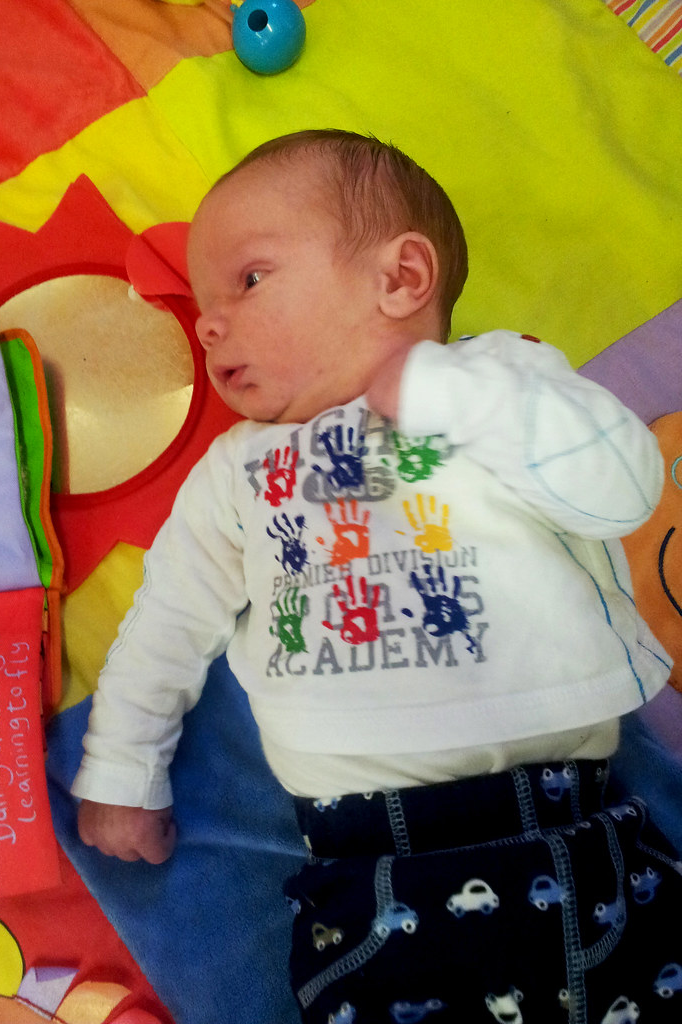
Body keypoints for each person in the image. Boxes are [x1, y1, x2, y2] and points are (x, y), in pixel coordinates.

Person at [72, 130, 680, 1023]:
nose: (206, 324)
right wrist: (122, 767)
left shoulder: (498, 377)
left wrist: (452, 395)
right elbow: (167, 620)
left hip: (571, 819)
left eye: (249, 279)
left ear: (400, 278)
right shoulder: (238, 471)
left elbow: (624, 487)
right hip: (363, 861)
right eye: (203, 304)